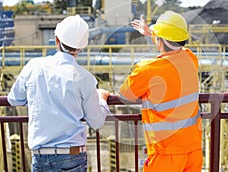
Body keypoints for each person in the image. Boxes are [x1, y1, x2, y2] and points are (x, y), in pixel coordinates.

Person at [7, 15, 111, 172]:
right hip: (71, 157)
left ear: (57, 40)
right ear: (81, 48)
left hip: (40, 157)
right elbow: (96, 122)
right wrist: (102, 99)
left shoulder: (34, 66)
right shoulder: (85, 78)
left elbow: (14, 99)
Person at [119, 11, 203, 171]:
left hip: (166, 154)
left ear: (160, 41)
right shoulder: (191, 59)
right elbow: (172, 43)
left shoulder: (148, 70)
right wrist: (151, 32)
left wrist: (140, 67)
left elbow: (125, 96)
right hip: (193, 150)